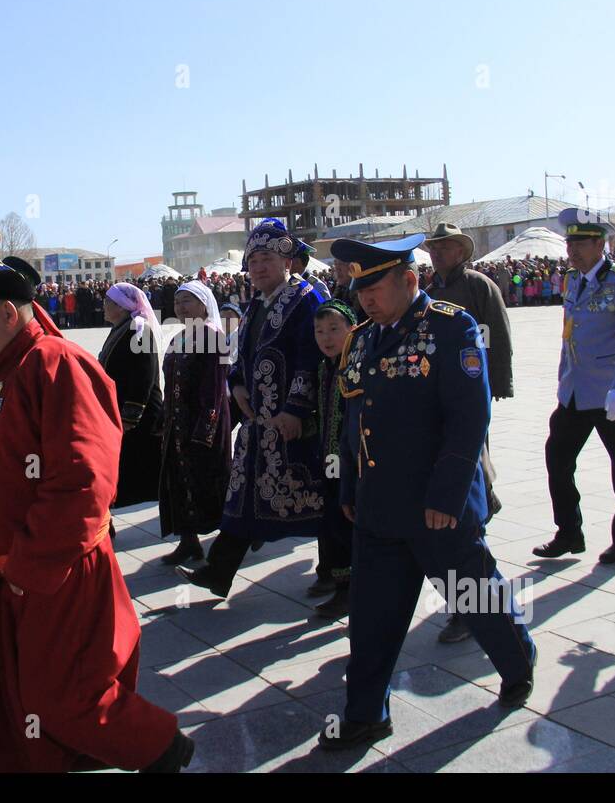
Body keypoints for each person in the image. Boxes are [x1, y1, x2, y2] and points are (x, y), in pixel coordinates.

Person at [0, 247, 190, 773]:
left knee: (61, 696)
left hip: (54, 572)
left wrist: (27, 562)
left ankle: (162, 749)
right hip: (13, 575)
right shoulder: (7, 368)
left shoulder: (55, 363)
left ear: (8, 314)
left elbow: (84, 482)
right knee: (16, 692)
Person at [319, 236, 536, 751]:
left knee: (477, 597)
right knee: (372, 620)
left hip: (438, 507)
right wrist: (349, 484)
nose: (365, 299)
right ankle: (366, 713)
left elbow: (468, 418)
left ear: (409, 280)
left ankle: (516, 660)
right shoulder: (363, 339)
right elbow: (354, 420)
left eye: (375, 287)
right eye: (359, 288)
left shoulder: (449, 327)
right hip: (378, 507)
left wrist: (448, 495)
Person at [179, 218, 326, 599]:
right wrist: (238, 384)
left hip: (295, 424)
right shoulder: (257, 303)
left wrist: (296, 409)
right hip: (259, 420)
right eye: (252, 260)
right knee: (243, 495)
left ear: (287, 261)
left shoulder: (306, 299)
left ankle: (339, 573)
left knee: (319, 498)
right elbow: (243, 353)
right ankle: (219, 571)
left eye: (265, 259)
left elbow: (311, 358)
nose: (256, 267)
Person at [534, 210, 615, 565]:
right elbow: (571, 334)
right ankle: (569, 531)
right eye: (570, 242)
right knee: (558, 459)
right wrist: (563, 379)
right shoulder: (571, 279)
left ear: (601, 244)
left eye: (581, 243)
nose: (573, 250)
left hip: (611, 393)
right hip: (575, 393)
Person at [423, 221, 515, 643]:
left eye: (445, 247)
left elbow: (496, 333)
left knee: (469, 476)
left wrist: (496, 384)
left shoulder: (478, 286)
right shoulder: (428, 288)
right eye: (435, 247)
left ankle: (472, 603)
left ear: (461, 251)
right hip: (434, 400)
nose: (438, 253)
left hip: (469, 396)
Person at [156, 280, 231, 566]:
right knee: (180, 482)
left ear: (203, 304)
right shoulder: (180, 337)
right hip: (178, 424)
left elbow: (213, 387)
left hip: (203, 426)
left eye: (188, 301)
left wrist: (205, 429)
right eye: (178, 302)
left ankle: (231, 544)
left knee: (210, 483)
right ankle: (189, 543)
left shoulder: (213, 336)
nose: (181, 307)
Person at [308, 299, 356, 619]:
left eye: (334, 329)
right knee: (333, 522)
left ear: (352, 329)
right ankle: (342, 586)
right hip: (329, 460)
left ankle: (351, 590)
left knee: (346, 524)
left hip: (352, 464)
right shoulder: (323, 367)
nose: (326, 337)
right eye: (319, 331)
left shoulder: (356, 368)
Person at [99, 282, 163, 509]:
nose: (104, 306)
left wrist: (130, 416)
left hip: (140, 411)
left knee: (140, 462)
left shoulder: (139, 329)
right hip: (121, 407)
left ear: (122, 306)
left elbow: (144, 377)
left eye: (108, 302)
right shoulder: (121, 327)